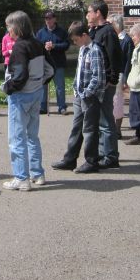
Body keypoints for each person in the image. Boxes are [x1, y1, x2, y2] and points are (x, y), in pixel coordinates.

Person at [0, 11, 53, 191]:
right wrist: (38, 84)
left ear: (16, 27)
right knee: (32, 136)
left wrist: (7, 88)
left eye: (9, 26)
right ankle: (37, 174)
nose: (8, 31)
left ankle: (21, 178)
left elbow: (20, 76)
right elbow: (49, 70)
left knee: (16, 138)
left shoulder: (20, 47)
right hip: (36, 93)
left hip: (21, 96)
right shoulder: (37, 43)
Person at [51, 21, 106, 174]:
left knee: (89, 130)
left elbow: (98, 77)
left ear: (84, 35)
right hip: (80, 96)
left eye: (76, 39)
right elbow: (79, 72)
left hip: (90, 97)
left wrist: (87, 93)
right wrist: (76, 89)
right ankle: (70, 159)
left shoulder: (95, 51)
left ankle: (91, 162)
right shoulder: (82, 50)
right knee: (76, 128)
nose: (75, 43)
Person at [87, 0, 123, 169]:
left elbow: (115, 57)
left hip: (106, 84)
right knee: (100, 120)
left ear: (98, 13)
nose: (87, 15)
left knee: (106, 120)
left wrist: (112, 79)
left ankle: (110, 156)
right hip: (98, 83)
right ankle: (103, 153)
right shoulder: (95, 31)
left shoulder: (108, 32)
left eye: (89, 12)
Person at [36, 10, 70, 115]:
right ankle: (43, 107)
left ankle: (61, 107)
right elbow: (36, 46)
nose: (48, 20)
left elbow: (66, 45)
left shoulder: (62, 32)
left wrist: (54, 46)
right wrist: (44, 47)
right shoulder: (40, 33)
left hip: (58, 63)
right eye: (46, 18)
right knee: (43, 86)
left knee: (59, 86)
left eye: (50, 18)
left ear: (55, 19)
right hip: (44, 64)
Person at [110, 13, 134, 139]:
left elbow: (128, 61)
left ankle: (117, 129)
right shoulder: (113, 38)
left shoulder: (127, 40)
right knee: (112, 101)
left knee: (118, 101)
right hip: (112, 73)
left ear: (116, 24)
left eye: (111, 24)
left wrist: (125, 79)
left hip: (120, 75)